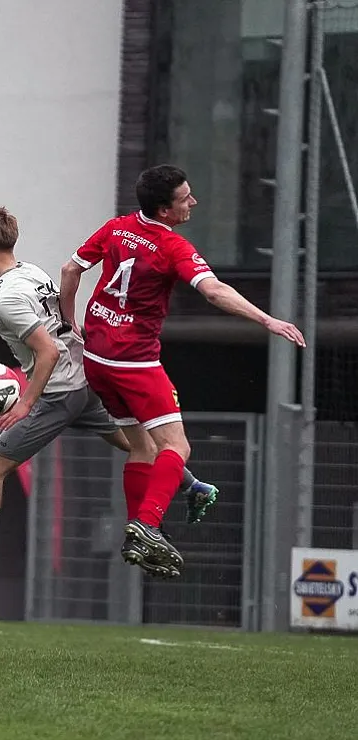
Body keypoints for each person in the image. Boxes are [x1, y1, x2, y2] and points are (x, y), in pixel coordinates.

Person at [0, 205, 220, 591]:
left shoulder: (6, 298)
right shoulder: (32, 272)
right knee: (136, 442)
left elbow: (47, 352)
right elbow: (60, 321)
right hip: (86, 378)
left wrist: (26, 403)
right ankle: (193, 486)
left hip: (60, 394)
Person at [58, 165, 305, 575]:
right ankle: (148, 524)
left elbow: (70, 270)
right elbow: (214, 291)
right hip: (134, 362)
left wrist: (70, 322)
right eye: (185, 198)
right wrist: (267, 320)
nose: (193, 201)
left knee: (141, 447)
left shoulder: (117, 227)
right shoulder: (173, 247)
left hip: (97, 358)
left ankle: (138, 533)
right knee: (177, 447)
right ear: (164, 210)